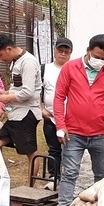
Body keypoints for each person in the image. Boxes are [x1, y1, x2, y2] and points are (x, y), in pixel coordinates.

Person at [52, 34, 104, 206]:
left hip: (100, 133)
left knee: (102, 174)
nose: (100, 61)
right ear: (88, 51)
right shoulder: (70, 68)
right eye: (97, 57)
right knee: (69, 173)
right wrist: (60, 125)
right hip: (73, 132)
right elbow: (59, 97)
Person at [0, 34, 42, 170]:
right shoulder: (16, 61)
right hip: (16, 115)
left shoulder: (28, 62)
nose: (0, 59)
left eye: (0, 55)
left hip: (26, 114)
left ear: (9, 49)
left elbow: (28, 92)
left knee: (31, 153)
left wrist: (6, 99)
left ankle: (30, 188)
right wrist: (5, 93)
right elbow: (18, 87)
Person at [40, 38, 73, 184]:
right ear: (54, 50)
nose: (63, 54)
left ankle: (68, 176)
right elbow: (37, 92)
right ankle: (54, 176)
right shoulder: (45, 69)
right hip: (50, 116)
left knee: (70, 149)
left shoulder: (74, 69)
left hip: (70, 118)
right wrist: (41, 109)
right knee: (53, 148)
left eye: (66, 52)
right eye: (60, 51)